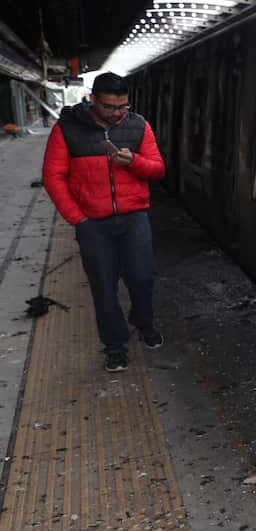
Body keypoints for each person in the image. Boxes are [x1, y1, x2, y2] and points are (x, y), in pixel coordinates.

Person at [41, 72, 166, 371]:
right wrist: (78, 218)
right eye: (110, 106)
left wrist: (134, 162)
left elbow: (158, 169)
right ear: (93, 99)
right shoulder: (67, 129)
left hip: (134, 217)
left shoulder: (138, 125)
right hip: (93, 224)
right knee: (103, 285)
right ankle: (114, 345)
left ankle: (143, 320)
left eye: (122, 106)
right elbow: (53, 177)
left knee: (142, 277)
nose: (117, 113)